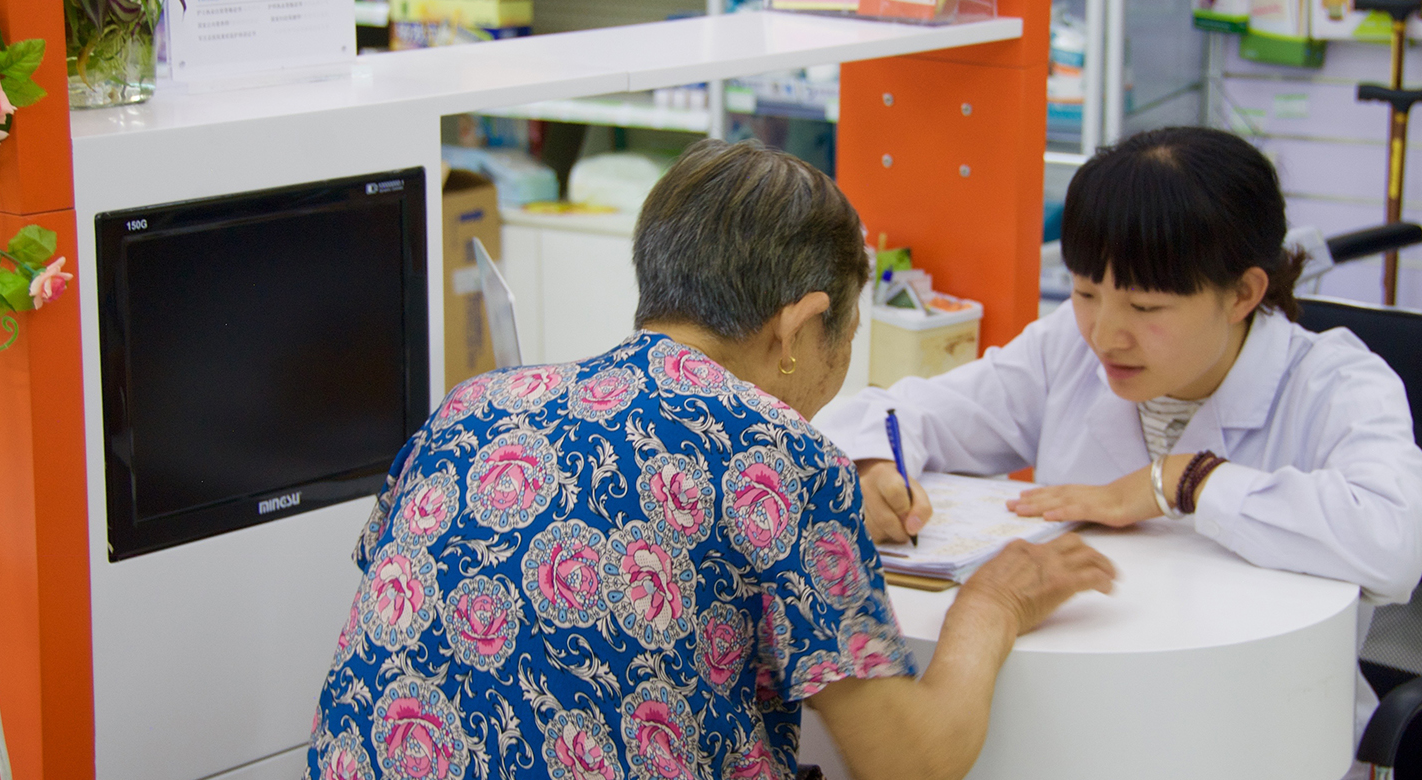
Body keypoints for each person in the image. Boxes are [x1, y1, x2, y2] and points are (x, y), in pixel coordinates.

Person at [306, 139, 1116, 780]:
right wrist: (992, 608)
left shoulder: (471, 408)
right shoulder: (782, 459)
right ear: (800, 329)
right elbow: (910, 760)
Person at [814, 126, 1422, 767]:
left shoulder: (1335, 383)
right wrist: (873, 464)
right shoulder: (1067, 347)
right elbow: (902, 411)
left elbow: (1394, 541)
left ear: (1244, 294)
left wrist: (1184, 480)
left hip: (1255, 730)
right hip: (1078, 712)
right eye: (1085, 292)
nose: (1106, 334)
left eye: (1145, 306)